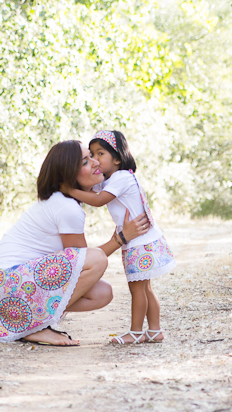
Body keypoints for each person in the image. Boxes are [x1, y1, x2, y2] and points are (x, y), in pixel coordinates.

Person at [0, 140, 150, 346]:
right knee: (96, 259)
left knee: (102, 293)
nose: (96, 163)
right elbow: (83, 259)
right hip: (5, 281)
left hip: (1, 285)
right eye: (86, 162)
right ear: (68, 175)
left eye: (94, 157)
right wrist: (121, 239)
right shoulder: (66, 207)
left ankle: (31, 323)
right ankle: (35, 327)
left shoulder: (62, 201)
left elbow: (76, 263)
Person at [63, 130, 176, 345]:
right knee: (145, 288)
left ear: (116, 158)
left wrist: (70, 190)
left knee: (137, 289)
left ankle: (135, 332)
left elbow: (97, 200)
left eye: (100, 154)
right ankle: (154, 330)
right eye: (92, 155)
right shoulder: (112, 179)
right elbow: (91, 187)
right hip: (142, 241)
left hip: (139, 244)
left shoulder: (122, 177)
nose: (95, 160)